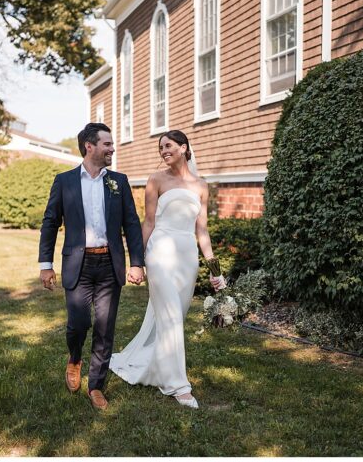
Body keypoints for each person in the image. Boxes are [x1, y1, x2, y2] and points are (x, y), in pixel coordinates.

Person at [109, 130, 225, 409]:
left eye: (168, 145)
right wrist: (137, 260)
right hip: (159, 252)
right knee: (171, 318)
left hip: (187, 258)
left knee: (174, 321)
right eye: (161, 147)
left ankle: (156, 365)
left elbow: (202, 230)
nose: (163, 151)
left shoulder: (201, 185)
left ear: (184, 148)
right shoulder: (156, 179)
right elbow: (147, 222)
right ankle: (177, 386)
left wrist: (214, 269)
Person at [38, 123, 144, 411]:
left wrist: (136, 262)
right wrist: (45, 264)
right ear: (90, 146)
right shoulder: (65, 181)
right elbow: (50, 223)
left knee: (105, 326)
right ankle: (74, 358)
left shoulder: (119, 182)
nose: (112, 149)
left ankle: (95, 385)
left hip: (110, 264)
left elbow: (131, 224)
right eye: (107, 144)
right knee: (79, 323)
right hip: (79, 264)